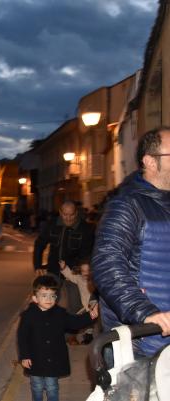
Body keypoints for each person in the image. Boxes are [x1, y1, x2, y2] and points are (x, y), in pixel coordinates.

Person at [92, 127, 170, 357]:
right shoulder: (127, 206)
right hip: (141, 340)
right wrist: (144, 312)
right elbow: (107, 263)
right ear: (150, 162)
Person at [17, 275, 98, 401]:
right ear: (35, 298)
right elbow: (22, 338)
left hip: (53, 359)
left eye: (52, 295)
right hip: (35, 358)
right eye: (44, 295)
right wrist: (24, 356)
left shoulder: (59, 313)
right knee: (37, 386)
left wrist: (90, 316)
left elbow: (74, 322)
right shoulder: (28, 316)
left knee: (52, 387)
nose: (48, 299)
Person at [33, 200, 94, 315]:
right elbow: (39, 244)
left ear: (76, 213)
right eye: (65, 215)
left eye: (71, 215)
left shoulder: (85, 228)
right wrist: (37, 265)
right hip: (54, 270)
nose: (68, 218)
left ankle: (75, 330)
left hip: (74, 273)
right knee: (47, 301)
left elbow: (87, 253)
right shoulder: (52, 225)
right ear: (60, 213)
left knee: (75, 306)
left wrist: (81, 269)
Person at [59, 260, 98, 344]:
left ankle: (89, 335)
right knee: (85, 321)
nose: (86, 273)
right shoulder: (79, 278)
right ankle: (86, 334)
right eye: (83, 271)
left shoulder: (95, 280)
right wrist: (64, 267)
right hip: (84, 306)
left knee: (92, 320)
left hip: (93, 304)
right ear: (80, 271)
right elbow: (70, 275)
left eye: (88, 271)